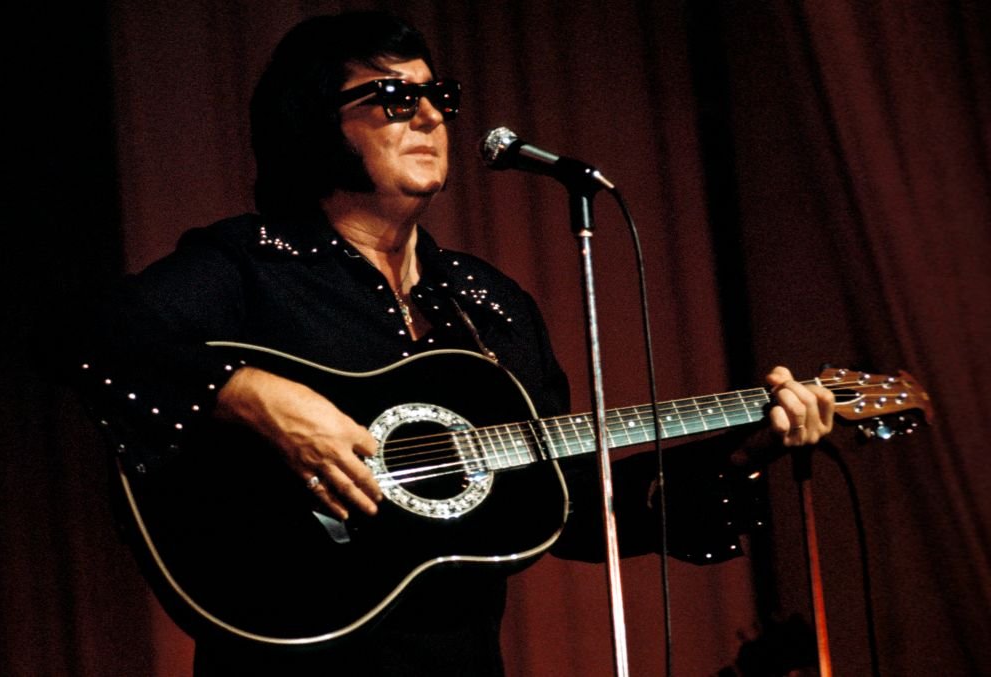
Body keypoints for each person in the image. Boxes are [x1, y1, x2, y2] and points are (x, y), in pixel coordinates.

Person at [69, 10, 834, 676]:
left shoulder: (489, 305)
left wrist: (742, 453)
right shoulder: (251, 264)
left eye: (441, 96)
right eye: (395, 97)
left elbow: (571, 512)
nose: (432, 115)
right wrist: (254, 395)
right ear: (313, 121)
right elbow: (91, 333)